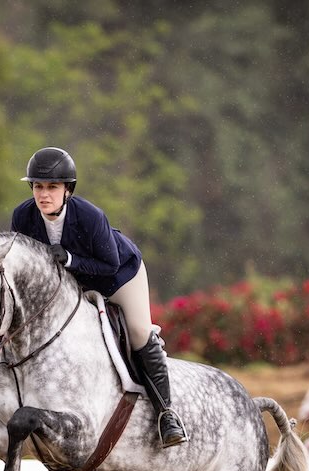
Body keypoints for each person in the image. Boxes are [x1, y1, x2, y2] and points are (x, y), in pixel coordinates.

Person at [11, 146, 188, 447]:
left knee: (138, 331)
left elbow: (109, 265)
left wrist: (69, 259)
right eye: (38, 186)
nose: (43, 194)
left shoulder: (90, 217)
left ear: (67, 190)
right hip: (71, 284)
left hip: (119, 276)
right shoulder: (23, 217)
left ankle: (167, 414)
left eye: (52, 187)